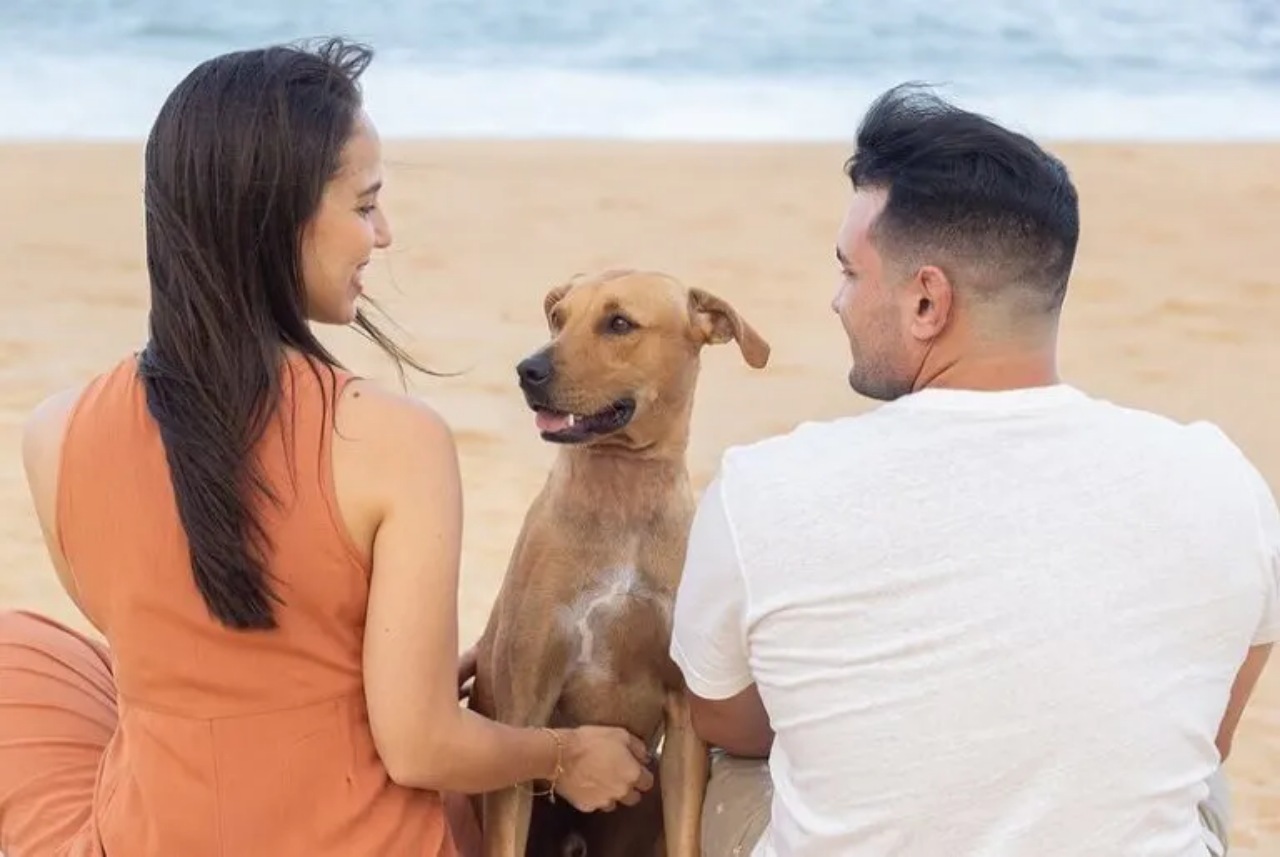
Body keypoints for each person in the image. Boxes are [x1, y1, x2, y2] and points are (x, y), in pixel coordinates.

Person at [0, 38, 652, 857]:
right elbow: (418, 745)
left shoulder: (53, 433)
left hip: (154, 834)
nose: (382, 233)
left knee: (21, 647)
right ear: (280, 218)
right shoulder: (393, 439)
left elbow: (203, 650)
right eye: (365, 203)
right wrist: (564, 756)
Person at [669, 82, 1277, 857]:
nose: (836, 300)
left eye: (851, 272)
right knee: (1188, 772)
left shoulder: (762, 488)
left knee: (739, 764)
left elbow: (725, 718)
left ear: (928, 302)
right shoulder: (1223, 479)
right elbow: (1213, 728)